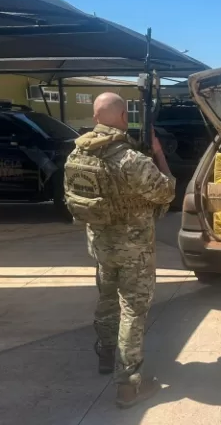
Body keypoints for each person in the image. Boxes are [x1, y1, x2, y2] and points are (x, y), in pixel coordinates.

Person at [64, 92, 175, 408]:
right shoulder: (131, 160)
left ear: (95, 117)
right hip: (133, 249)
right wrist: (158, 154)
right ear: (125, 118)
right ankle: (128, 385)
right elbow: (166, 192)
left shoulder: (77, 155)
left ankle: (106, 353)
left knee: (107, 299)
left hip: (100, 245)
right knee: (132, 310)